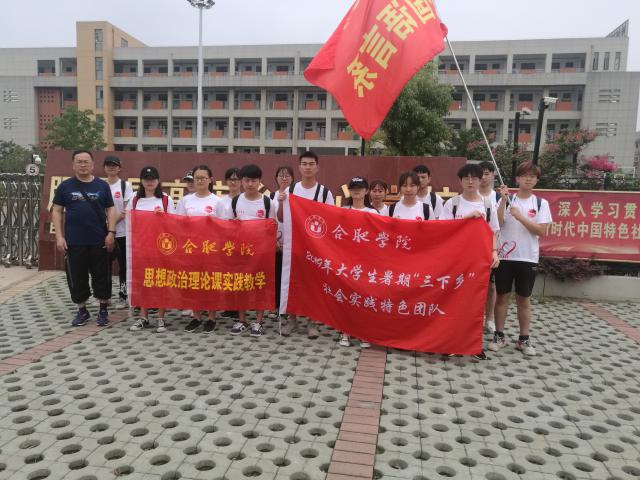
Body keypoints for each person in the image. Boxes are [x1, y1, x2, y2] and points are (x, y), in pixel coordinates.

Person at [490, 162, 552, 357]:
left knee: (523, 299)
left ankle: (523, 339)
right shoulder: (508, 200)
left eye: (532, 176)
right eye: (524, 175)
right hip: (505, 256)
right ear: (517, 179)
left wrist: (520, 216)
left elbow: (541, 230)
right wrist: (503, 201)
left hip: (527, 258)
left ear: (536, 180)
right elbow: (498, 223)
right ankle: (499, 336)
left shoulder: (541, 203)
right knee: (502, 296)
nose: (528, 178)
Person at [441, 163, 500, 361]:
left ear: (480, 180)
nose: (470, 181)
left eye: (474, 178)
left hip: (479, 262)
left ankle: (473, 345)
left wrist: (494, 252)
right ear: (460, 181)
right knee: (453, 301)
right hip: (455, 260)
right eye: (466, 178)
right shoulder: (452, 204)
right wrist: (467, 218)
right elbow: (443, 229)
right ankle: (451, 342)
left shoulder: (488, 205)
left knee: (475, 303)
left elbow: (494, 232)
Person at [52, 150, 117, 327]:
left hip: (99, 240)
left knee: (102, 276)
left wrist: (111, 232)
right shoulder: (65, 186)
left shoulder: (102, 186)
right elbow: (57, 210)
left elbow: (111, 209)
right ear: (73, 165)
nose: (83, 165)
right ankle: (82, 310)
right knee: (77, 277)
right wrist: (59, 237)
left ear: (93, 165)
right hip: (74, 241)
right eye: (79, 161)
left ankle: (103, 309)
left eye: (86, 161)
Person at [278, 151, 334, 338]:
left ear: (317, 167)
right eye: (304, 164)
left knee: (314, 284)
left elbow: (331, 220)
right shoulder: (290, 191)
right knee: (293, 282)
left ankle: (313, 322)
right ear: (299, 167)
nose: (308, 167)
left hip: (316, 247)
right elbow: (281, 218)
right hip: (294, 246)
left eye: (311, 164)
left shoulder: (324, 193)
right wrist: (280, 203)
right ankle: (292, 320)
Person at [226, 164, 276, 337]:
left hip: (261, 254)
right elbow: (228, 226)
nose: (250, 184)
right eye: (247, 180)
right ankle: (242, 320)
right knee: (241, 285)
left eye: (254, 181)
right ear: (242, 181)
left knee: (260, 285)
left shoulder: (268, 202)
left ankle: (258, 322)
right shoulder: (235, 201)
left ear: (259, 181)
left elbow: (272, 228)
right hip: (240, 253)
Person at [126, 166, 176, 333]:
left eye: (153, 179)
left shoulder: (165, 199)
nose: (149, 182)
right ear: (141, 181)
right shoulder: (135, 199)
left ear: (158, 180)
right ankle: (143, 317)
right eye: (146, 179)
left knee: (160, 281)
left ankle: (161, 317)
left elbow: (174, 223)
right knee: (143, 282)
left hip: (161, 248)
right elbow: (129, 222)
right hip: (140, 248)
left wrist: (163, 217)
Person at [177, 165, 221, 334]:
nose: (200, 181)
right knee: (193, 282)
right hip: (191, 249)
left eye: (203, 178)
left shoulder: (217, 201)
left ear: (210, 180)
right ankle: (196, 317)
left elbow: (224, 227)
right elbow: (178, 223)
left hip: (211, 250)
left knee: (210, 283)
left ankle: (211, 317)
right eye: (197, 178)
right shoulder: (186, 200)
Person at [338, 177, 377, 348]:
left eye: (360, 188)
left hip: (366, 263)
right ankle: (345, 332)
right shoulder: (342, 211)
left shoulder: (373, 213)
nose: (356, 191)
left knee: (364, 298)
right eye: (353, 188)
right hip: (345, 262)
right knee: (346, 298)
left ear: (366, 191)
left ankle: (364, 333)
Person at [103, 155, 134, 310]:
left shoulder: (125, 186)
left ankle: (123, 296)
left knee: (124, 267)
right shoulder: (100, 186)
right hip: (104, 234)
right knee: (104, 266)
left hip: (122, 233)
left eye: (114, 165)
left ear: (119, 168)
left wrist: (111, 226)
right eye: (108, 165)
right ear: (104, 168)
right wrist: (107, 229)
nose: (111, 168)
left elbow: (125, 210)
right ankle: (105, 297)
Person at [478, 161, 500, 334]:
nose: (484, 177)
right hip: (470, 251)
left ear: (493, 175)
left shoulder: (497, 197)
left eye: (487, 173)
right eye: (481, 174)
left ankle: (490, 319)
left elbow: (499, 225)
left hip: (492, 249)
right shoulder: (469, 195)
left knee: (491, 286)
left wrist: (494, 250)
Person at [271, 166, 295, 319]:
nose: (284, 178)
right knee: (277, 275)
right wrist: (273, 241)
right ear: (276, 178)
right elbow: (269, 220)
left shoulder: (296, 196)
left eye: (287, 176)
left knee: (289, 278)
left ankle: (288, 308)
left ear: (292, 178)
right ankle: (276, 307)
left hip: (292, 244)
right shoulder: (271, 196)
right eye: (281, 175)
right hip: (275, 244)